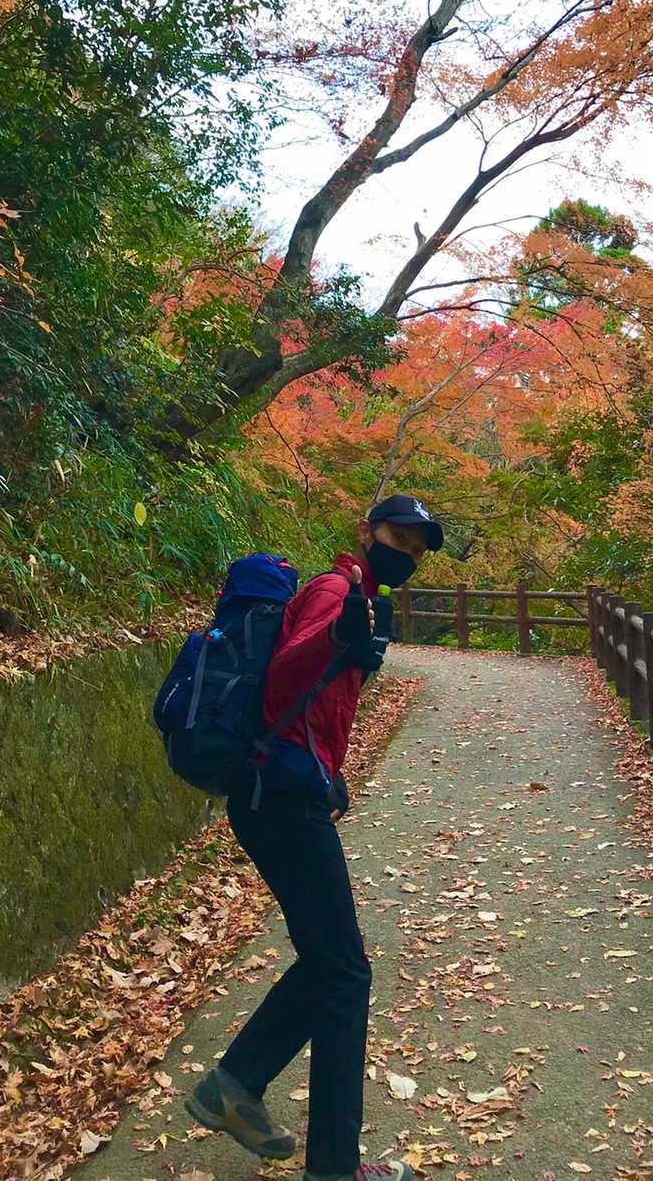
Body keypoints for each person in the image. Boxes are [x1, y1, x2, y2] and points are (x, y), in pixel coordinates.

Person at [185, 495, 445, 1181]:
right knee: (345, 972)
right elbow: (282, 679)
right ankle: (333, 1166)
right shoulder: (336, 591)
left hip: (283, 793)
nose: (407, 555)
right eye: (399, 539)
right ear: (366, 531)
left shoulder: (363, 599)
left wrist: (329, 772)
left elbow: (319, 706)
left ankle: (233, 1085)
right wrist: (337, 639)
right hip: (278, 799)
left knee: (330, 964)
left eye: (417, 550)